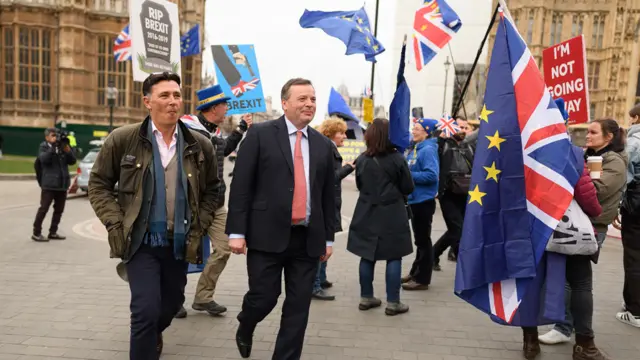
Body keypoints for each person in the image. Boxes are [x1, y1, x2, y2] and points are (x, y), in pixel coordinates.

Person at [87, 72, 219, 360]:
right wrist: (116, 223)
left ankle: (153, 332)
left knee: (171, 305)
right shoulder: (124, 139)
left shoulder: (200, 144)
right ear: (147, 102)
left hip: (180, 242)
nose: (173, 101)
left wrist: (202, 221)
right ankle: (147, 338)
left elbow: (213, 189)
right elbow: (98, 184)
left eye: (176, 95)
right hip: (140, 241)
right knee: (144, 312)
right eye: (164, 96)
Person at [226, 78, 336, 360]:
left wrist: (328, 237)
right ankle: (246, 323)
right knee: (264, 297)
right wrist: (236, 232)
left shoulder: (323, 145)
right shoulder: (261, 135)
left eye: (312, 98)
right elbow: (241, 186)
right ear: (285, 103)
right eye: (302, 99)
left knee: (298, 308)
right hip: (266, 236)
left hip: (307, 240)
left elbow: (328, 195)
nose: (309, 103)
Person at [539, 118, 627, 360]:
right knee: (571, 281)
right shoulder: (584, 156)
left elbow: (597, 194)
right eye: (587, 131)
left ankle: (576, 335)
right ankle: (568, 330)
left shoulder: (614, 162)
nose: (587, 136)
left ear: (609, 137)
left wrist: (577, 173)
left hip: (590, 228)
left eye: (593, 132)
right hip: (572, 225)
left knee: (578, 283)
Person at [176, 84, 252, 318]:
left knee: (224, 248)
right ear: (213, 108)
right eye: (224, 105)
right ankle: (173, 299)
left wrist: (241, 129)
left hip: (217, 203)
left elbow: (224, 150)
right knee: (182, 254)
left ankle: (203, 297)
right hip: (192, 204)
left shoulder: (215, 133)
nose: (227, 109)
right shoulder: (188, 132)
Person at [347, 118, 415, 315]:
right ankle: (393, 302)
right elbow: (408, 187)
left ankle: (366, 297)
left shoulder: (361, 159)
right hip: (392, 213)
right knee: (394, 256)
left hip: (366, 211)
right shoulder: (398, 159)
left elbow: (359, 185)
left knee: (367, 255)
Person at [311, 116, 355, 301]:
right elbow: (329, 179)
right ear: (331, 133)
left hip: (329, 203)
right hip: (324, 204)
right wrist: (347, 169)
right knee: (321, 244)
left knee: (326, 242)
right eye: (341, 132)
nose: (344, 136)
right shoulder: (327, 148)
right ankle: (314, 285)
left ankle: (321, 278)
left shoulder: (329, 147)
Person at [402, 118, 439, 291]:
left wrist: (408, 175)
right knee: (420, 240)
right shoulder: (418, 147)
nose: (413, 131)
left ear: (426, 131)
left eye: (417, 128)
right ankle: (415, 272)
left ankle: (422, 279)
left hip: (423, 201)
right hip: (415, 200)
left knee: (423, 241)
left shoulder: (428, 149)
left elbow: (432, 175)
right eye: (413, 128)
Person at [432, 126, 473, 270]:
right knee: (457, 229)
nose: (461, 130)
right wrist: (440, 138)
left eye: (465, 127)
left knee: (455, 229)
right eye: (459, 127)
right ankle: (462, 263)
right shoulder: (443, 144)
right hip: (447, 193)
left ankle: (434, 255)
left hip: (464, 193)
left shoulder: (468, 146)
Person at [616, 104, 640, 327]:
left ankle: (635, 311)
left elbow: (626, 177)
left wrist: (617, 205)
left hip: (636, 207)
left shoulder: (634, 142)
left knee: (633, 257)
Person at [32, 128, 76, 242]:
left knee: (59, 210)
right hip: (49, 185)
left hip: (62, 184)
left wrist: (67, 149)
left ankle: (53, 231)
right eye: (53, 135)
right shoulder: (44, 147)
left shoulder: (62, 147)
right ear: (47, 137)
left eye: (56, 136)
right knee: (43, 209)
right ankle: (36, 232)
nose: (55, 138)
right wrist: (53, 148)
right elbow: (44, 160)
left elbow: (72, 161)